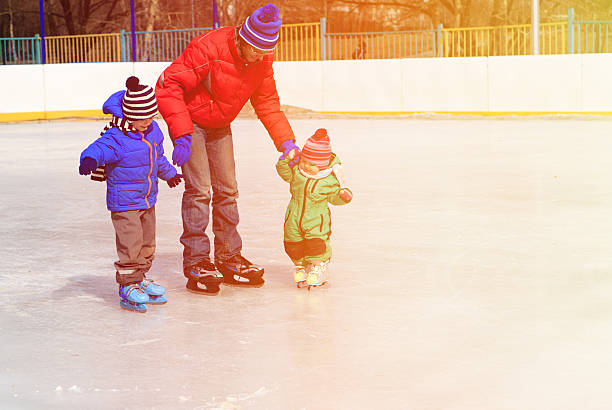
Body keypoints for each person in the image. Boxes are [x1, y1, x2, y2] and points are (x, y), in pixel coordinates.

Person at [155, 3, 300, 294]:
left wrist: (286, 142)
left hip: (219, 124)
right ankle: (197, 260)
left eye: (266, 51)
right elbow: (168, 84)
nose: (262, 56)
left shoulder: (261, 60)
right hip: (191, 122)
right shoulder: (209, 48)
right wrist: (181, 134)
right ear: (244, 40)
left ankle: (228, 255)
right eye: (256, 50)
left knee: (228, 190)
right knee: (200, 190)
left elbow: (267, 103)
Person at [78, 76, 183, 312]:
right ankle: (127, 284)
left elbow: (158, 157)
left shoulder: (152, 131)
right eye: (141, 117)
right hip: (124, 202)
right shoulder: (117, 136)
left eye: (151, 116)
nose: (147, 121)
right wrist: (89, 160)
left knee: (147, 243)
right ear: (130, 115)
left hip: (147, 198)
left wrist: (169, 174)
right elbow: (99, 148)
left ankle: (140, 278)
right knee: (130, 244)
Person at [275, 128, 353, 289]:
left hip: (316, 220)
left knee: (316, 244)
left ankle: (318, 266)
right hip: (293, 217)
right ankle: (301, 265)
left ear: (322, 165)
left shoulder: (328, 180)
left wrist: (343, 196)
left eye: (312, 164)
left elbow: (334, 197)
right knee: (292, 243)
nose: (307, 166)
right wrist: (285, 159)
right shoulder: (297, 172)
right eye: (304, 161)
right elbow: (283, 171)